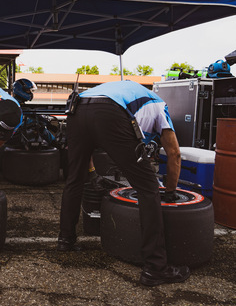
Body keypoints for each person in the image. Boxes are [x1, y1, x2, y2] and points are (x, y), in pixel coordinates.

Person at [58, 80, 187, 287]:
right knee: (149, 188)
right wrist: (170, 191)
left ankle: (65, 240)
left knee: (74, 179)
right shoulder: (160, 106)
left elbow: (87, 146)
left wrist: (91, 172)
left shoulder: (126, 94)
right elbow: (174, 153)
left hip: (78, 107)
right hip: (109, 110)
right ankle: (156, 268)